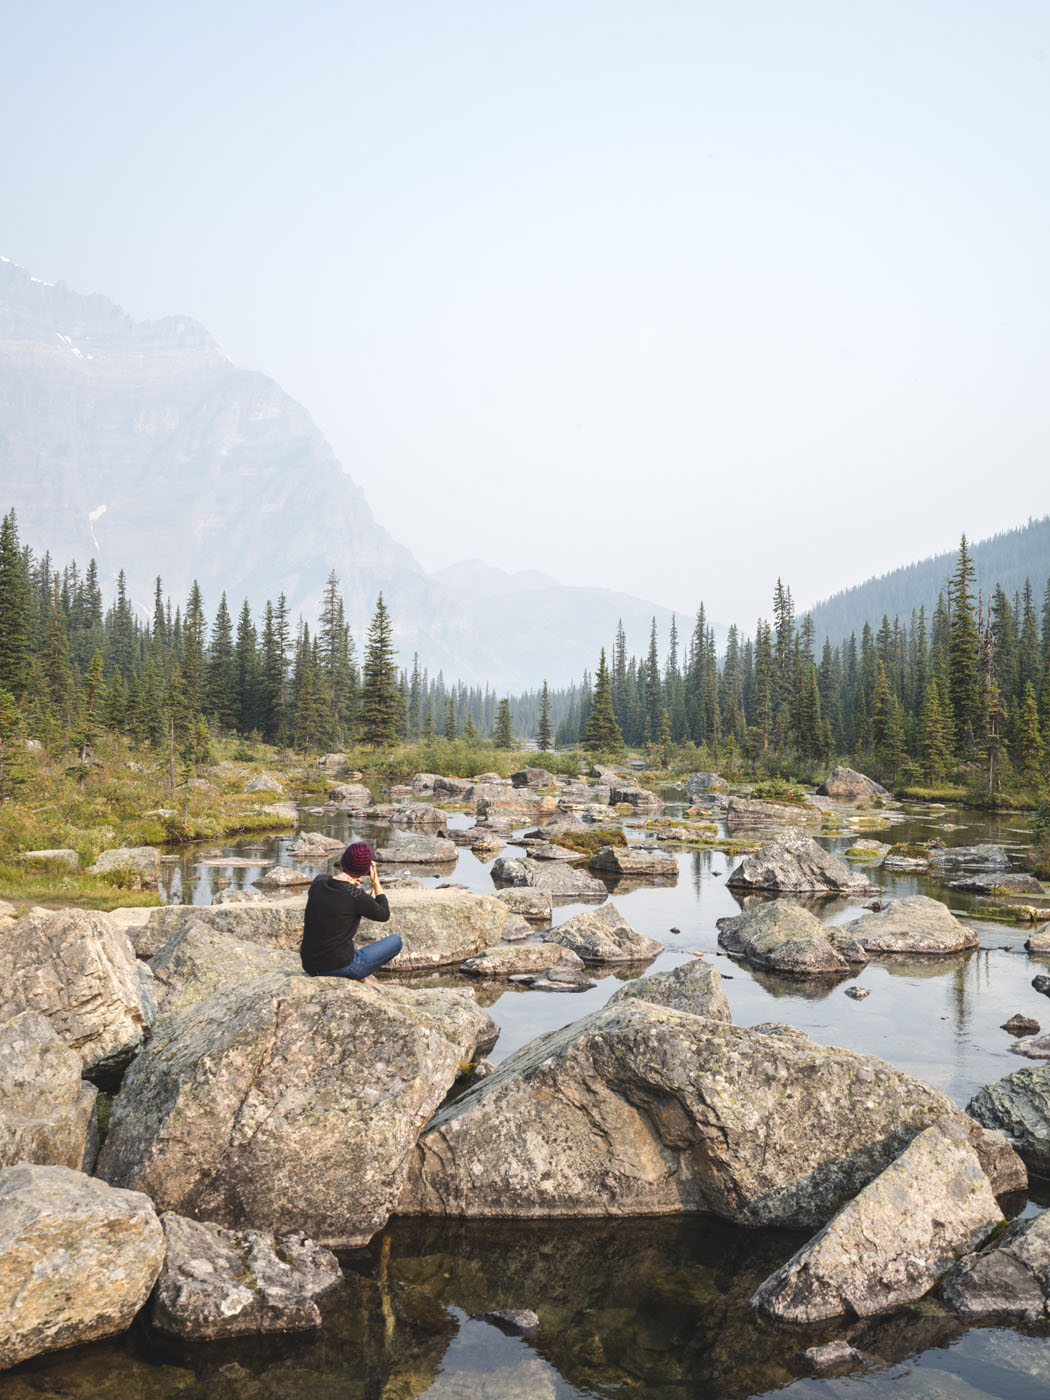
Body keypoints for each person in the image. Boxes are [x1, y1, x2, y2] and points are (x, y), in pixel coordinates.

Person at [300, 840, 403, 980]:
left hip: (309, 965)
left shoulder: (319, 881)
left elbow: (337, 893)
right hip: (340, 967)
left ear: (342, 863)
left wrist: (353, 884)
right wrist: (375, 882)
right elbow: (384, 914)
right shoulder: (356, 895)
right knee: (396, 941)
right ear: (366, 870)